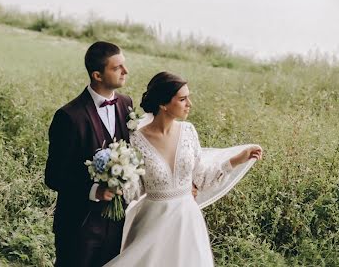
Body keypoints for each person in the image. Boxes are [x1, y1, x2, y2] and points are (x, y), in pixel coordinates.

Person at [103, 72, 263, 267]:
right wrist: (117, 184)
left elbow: (201, 178)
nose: (190, 104)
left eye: (188, 97)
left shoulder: (188, 131)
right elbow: (137, 188)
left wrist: (236, 160)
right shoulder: (136, 139)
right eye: (182, 99)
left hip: (187, 222)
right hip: (153, 223)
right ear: (163, 104)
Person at [45, 41, 133, 267]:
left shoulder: (126, 104)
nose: (125, 71)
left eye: (124, 65)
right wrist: (95, 190)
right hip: (78, 223)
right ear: (97, 75)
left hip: (117, 222)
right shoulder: (69, 116)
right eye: (117, 68)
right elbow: (53, 176)